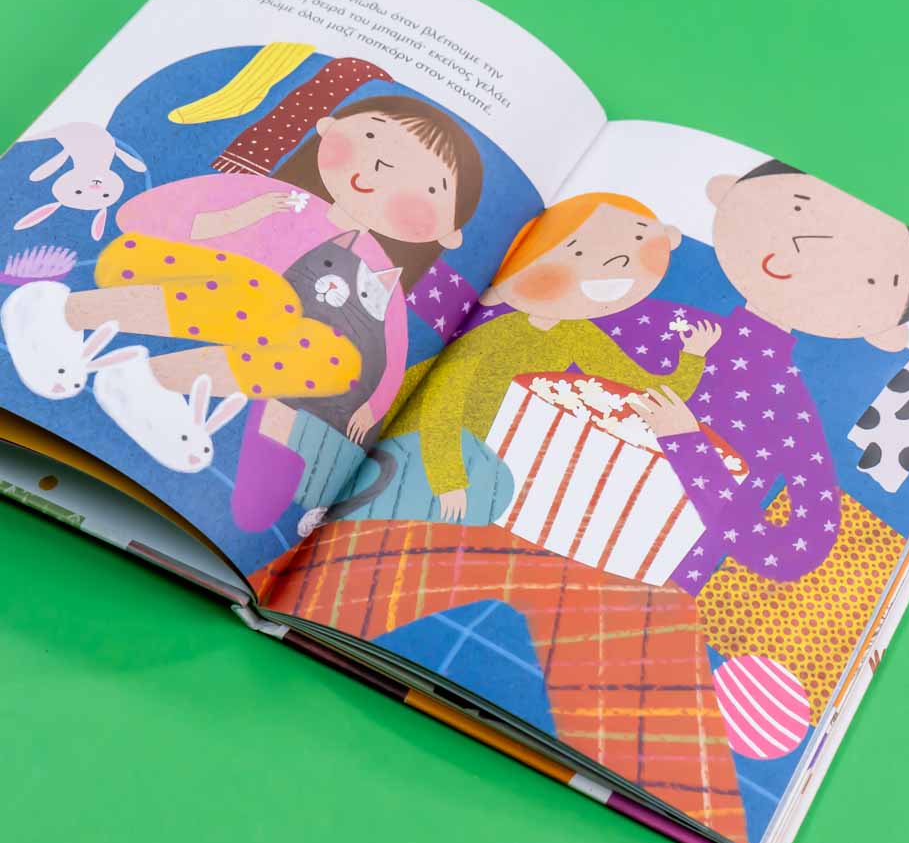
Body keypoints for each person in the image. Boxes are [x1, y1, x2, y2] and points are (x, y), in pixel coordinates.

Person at [4, 95, 483, 478]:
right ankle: (60, 313)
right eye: (373, 137)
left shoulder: (376, 273)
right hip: (150, 267)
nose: (382, 169)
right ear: (327, 128)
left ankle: (151, 383)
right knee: (267, 294)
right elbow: (144, 218)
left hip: (250, 330)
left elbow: (387, 348)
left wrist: (370, 407)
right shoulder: (279, 199)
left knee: (334, 357)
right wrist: (240, 217)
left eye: (428, 186)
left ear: (448, 234)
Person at [633, 159, 909, 593]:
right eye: (799, 211)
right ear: (726, 194)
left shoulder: (790, 410)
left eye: (864, 272)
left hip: (640, 585)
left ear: (886, 335)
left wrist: (687, 445)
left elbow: (796, 551)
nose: (810, 249)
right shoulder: (658, 319)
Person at [362, 191, 722, 524]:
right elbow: (442, 405)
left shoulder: (576, 334)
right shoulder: (493, 336)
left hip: (479, 450)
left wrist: (693, 355)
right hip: (423, 439)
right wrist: (449, 480)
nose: (609, 267)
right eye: (576, 254)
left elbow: (644, 387)